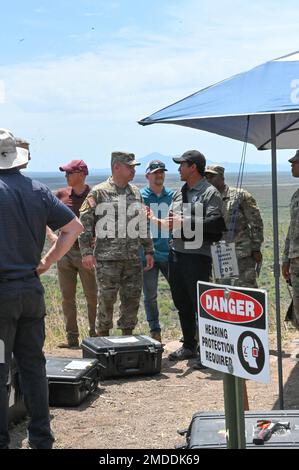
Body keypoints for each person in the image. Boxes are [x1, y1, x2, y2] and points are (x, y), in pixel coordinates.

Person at [0, 129, 83, 449]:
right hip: (30, 294)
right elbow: (73, 228)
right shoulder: (38, 190)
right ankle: (41, 437)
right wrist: (47, 261)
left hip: (2, 299)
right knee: (33, 366)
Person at [79, 152, 154, 336]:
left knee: (131, 300)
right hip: (107, 259)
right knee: (106, 301)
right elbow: (85, 223)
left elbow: (142, 223)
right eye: (130, 167)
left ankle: (127, 341)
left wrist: (149, 249)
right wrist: (86, 252)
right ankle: (102, 342)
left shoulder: (135, 192)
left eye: (134, 167)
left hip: (132, 259)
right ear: (116, 167)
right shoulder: (99, 192)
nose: (133, 170)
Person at [167, 150, 225, 365]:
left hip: (197, 257)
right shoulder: (177, 193)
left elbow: (216, 225)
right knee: (182, 303)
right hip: (176, 254)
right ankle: (189, 346)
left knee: (201, 305)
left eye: (182, 164)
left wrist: (186, 221)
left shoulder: (210, 193)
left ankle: (208, 352)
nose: (179, 168)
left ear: (193, 167)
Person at [47, 160, 97, 348]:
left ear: (82, 174)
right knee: (67, 297)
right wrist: (52, 236)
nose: (66, 176)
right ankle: (72, 340)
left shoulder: (94, 196)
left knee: (92, 297)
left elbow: (104, 221)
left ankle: (94, 338)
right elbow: (44, 214)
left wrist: (97, 240)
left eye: (69, 172)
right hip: (65, 253)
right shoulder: (61, 194)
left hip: (86, 254)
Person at [205, 164, 264, 287]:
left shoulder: (239, 195)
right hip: (221, 254)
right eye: (206, 177)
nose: (208, 180)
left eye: (212, 176)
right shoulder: (208, 200)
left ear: (221, 177)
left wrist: (256, 247)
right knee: (224, 293)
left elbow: (256, 222)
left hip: (242, 254)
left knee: (246, 291)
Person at [141, 160, 174, 343]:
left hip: (170, 253)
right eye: (155, 173)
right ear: (147, 176)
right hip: (148, 255)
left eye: (161, 172)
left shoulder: (173, 196)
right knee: (150, 296)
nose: (159, 175)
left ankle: (190, 331)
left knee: (178, 292)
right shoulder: (140, 197)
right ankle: (155, 331)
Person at [282, 150, 299, 330]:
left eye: (295, 162)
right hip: (295, 260)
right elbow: (291, 229)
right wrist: (286, 259)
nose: (292, 165)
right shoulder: (296, 195)